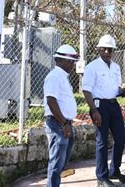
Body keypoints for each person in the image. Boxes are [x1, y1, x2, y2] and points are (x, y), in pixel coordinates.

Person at [83, 34, 125, 187]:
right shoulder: (92, 67)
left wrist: (123, 91)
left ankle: (114, 170)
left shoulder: (116, 67)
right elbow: (86, 91)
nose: (107, 52)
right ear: (99, 50)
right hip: (99, 107)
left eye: (110, 50)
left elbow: (115, 88)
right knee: (102, 141)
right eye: (104, 49)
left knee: (121, 137)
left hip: (113, 104)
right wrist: (94, 110)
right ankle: (102, 177)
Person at [44, 44, 80, 187]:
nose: (72, 64)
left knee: (61, 160)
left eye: (73, 61)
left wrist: (67, 123)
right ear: (59, 60)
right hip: (57, 123)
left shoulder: (63, 77)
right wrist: (64, 124)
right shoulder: (54, 76)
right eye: (69, 61)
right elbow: (51, 101)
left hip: (64, 123)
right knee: (57, 160)